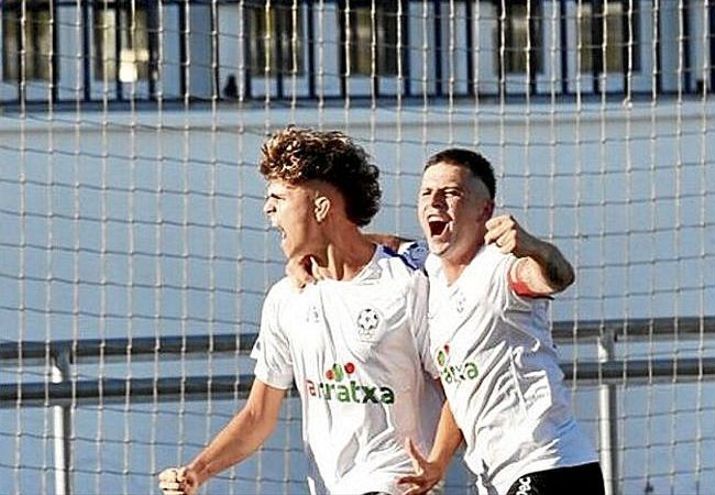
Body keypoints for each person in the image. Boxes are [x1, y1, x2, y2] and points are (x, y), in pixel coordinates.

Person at [157, 127, 442, 495]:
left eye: (279, 197)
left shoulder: (407, 282)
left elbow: (453, 389)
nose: (267, 208)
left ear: (321, 207)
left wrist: (437, 461)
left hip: (396, 484)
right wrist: (196, 472)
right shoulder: (287, 298)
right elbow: (258, 416)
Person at [397, 149, 603, 495]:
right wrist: (437, 462)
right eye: (426, 192)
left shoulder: (499, 266)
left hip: (548, 468)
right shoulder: (431, 271)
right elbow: (460, 392)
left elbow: (557, 276)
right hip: (508, 477)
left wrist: (535, 248)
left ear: (485, 211)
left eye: (450, 193)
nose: (435, 201)